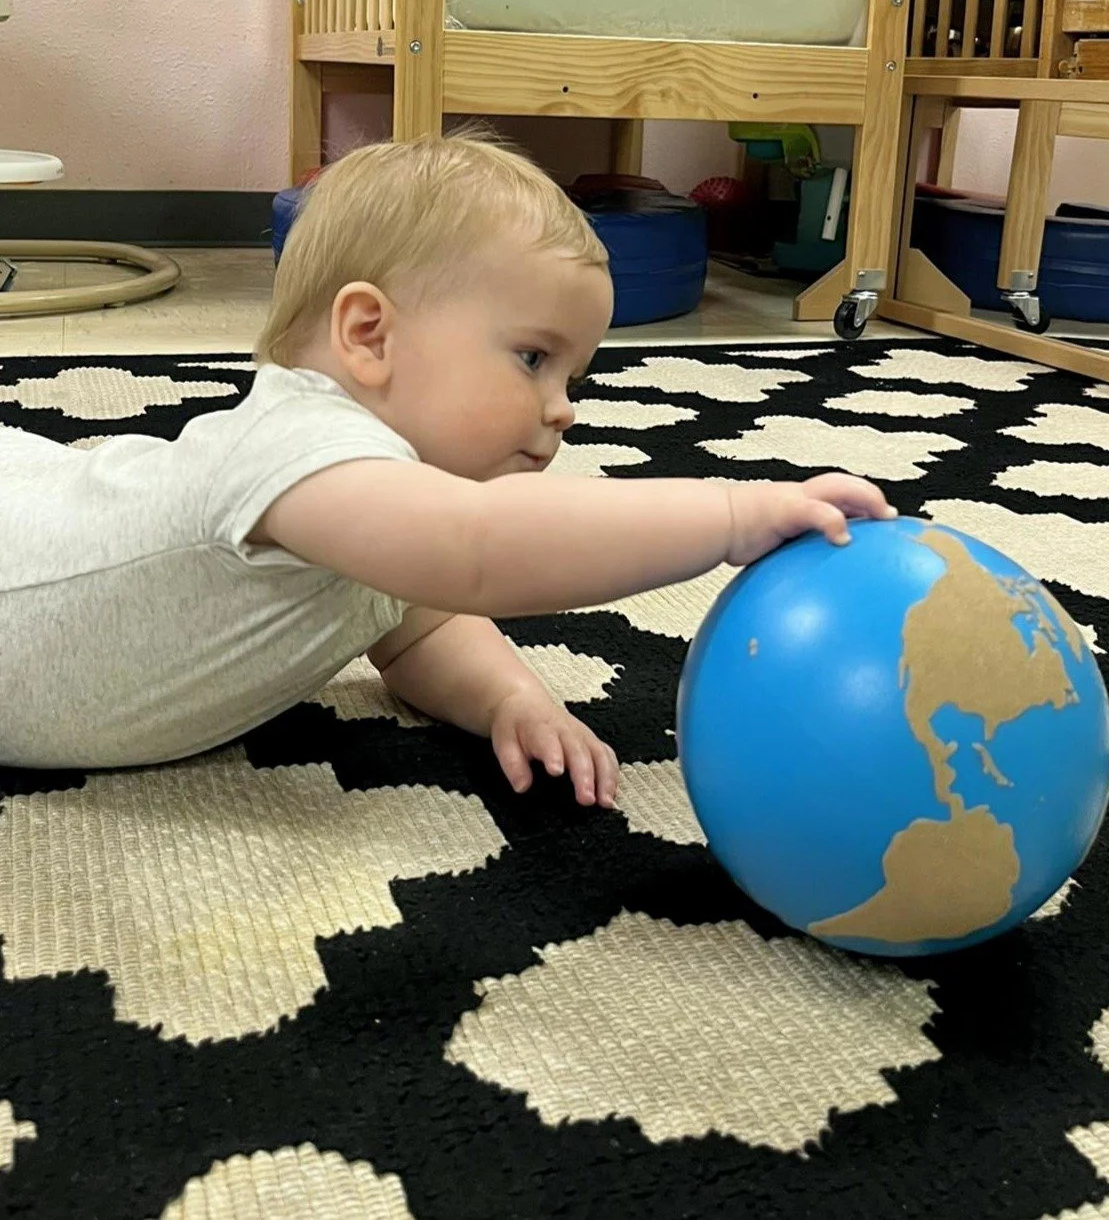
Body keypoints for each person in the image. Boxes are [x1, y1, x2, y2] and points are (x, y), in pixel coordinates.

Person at [0, 133, 896, 804]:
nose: (563, 408)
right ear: (369, 335)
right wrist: (730, 515)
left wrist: (512, 699)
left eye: (573, 378)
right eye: (532, 359)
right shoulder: (298, 446)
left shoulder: (387, 514)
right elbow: (475, 552)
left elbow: (421, 630)